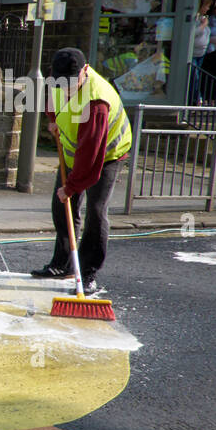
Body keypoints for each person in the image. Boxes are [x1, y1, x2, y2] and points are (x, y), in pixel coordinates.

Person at [30, 47, 132, 292]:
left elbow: (90, 154)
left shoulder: (96, 102)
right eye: (61, 83)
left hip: (106, 155)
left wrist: (72, 186)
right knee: (61, 207)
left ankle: (87, 273)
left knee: (95, 212)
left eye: (70, 83)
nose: (65, 88)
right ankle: (63, 264)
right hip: (72, 151)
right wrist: (52, 118)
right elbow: (54, 99)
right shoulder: (60, 80)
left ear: (85, 71)